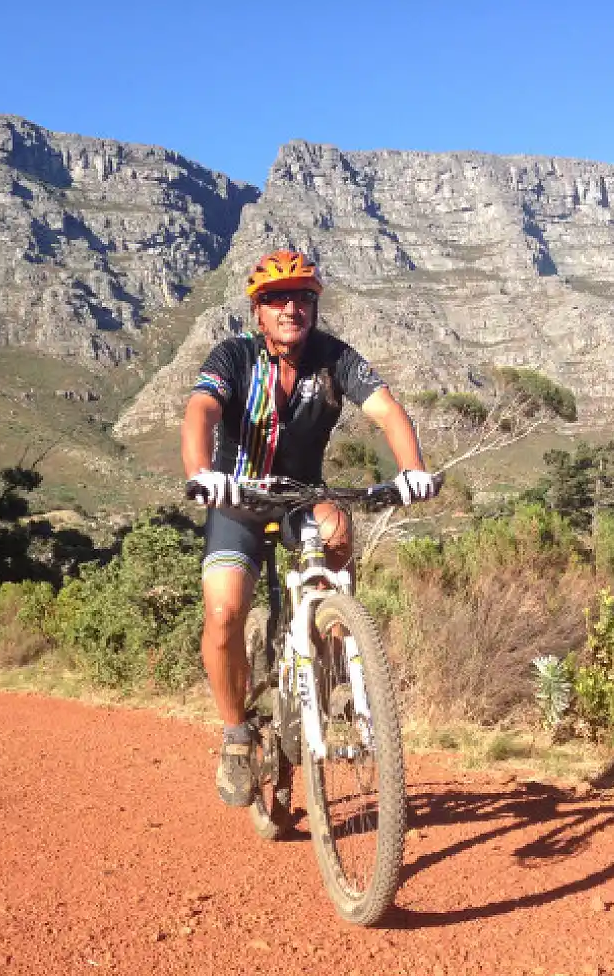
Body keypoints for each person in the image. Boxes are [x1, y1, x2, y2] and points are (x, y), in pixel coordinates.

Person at [180, 248, 437, 807]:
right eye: (276, 299)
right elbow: (200, 409)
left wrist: (412, 470)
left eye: (302, 297)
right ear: (258, 312)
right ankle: (235, 736)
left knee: (338, 529)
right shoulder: (234, 357)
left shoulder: (334, 358)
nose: (290, 308)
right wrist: (203, 473)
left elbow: (387, 408)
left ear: (314, 306)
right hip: (238, 500)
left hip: (301, 498)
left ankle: (326, 646)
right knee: (224, 614)